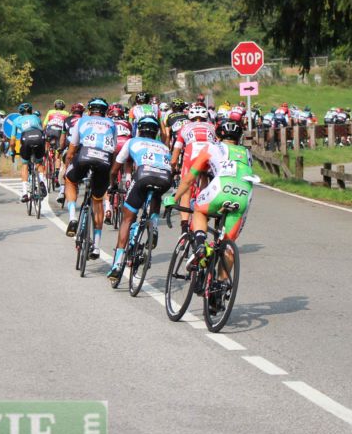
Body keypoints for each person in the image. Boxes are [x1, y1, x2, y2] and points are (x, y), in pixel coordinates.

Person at [165, 120, 257, 308]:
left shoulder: (211, 147)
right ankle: (219, 290)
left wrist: (174, 198)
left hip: (221, 189)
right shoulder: (247, 154)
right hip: (244, 195)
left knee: (199, 210)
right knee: (228, 246)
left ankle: (200, 245)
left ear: (218, 135)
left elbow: (189, 179)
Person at [106, 116, 173, 282]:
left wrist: (112, 185)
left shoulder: (132, 141)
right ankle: (154, 226)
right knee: (156, 194)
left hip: (143, 176)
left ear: (139, 130)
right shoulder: (164, 147)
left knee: (127, 219)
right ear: (156, 132)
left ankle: (117, 264)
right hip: (165, 179)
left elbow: (115, 169)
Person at [63, 97, 116, 258]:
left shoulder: (82, 120)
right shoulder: (111, 124)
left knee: (70, 181)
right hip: (105, 160)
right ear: (105, 111)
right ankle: (97, 247)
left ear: (90, 110)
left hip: (85, 156)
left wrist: (67, 165)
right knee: (98, 201)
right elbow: (113, 150)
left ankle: (72, 217)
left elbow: (72, 148)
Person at [170, 104, 217, 233]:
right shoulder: (212, 127)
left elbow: (176, 150)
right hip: (209, 155)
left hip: (191, 155)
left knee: (186, 189)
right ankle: (202, 208)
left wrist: (173, 166)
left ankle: (184, 227)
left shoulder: (185, 127)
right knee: (204, 180)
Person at [11, 102, 46, 203]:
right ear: (31, 111)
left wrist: (13, 151)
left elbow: (12, 141)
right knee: (39, 163)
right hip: (39, 137)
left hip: (26, 139)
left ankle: (25, 193)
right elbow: (42, 131)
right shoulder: (36, 118)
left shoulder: (17, 120)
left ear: (20, 112)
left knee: (25, 164)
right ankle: (42, 182)